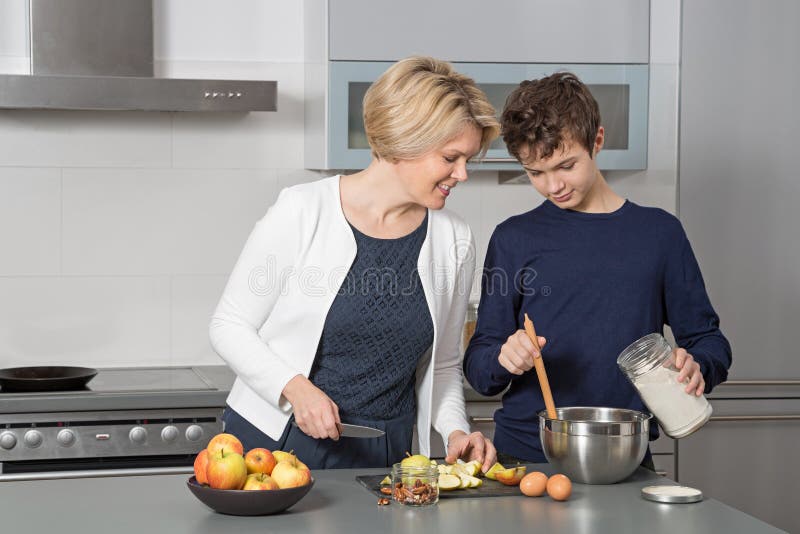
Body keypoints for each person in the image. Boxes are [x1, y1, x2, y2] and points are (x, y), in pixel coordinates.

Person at [210, 56, 501, 471]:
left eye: (468, 160)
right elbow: (229, 325)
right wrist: (294, 388)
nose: (463, 174)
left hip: (388, 450)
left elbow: (444, 366)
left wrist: (455, 430)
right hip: (277, 441)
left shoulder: (453, 239)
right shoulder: (303, 210)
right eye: (451, 157)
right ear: (405, 143)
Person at [463, 72, 732, 467]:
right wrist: (504, 357)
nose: (553, 186)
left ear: (598, 141)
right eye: (535, 173)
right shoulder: (513, 239)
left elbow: (710, 342)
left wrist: (698, 366)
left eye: (565, 165)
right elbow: (479, 366)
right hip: (525, 457)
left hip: (624, 455)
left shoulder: (659, 234)